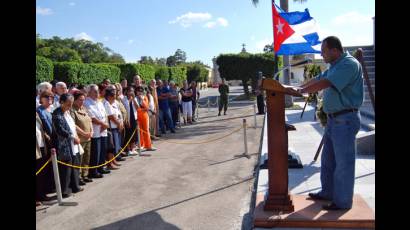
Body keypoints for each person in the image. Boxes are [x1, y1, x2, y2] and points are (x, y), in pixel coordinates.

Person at [297, 36, 363, 210]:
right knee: (328, 161)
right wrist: (298, 89)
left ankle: (342, 202)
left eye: (324, 51)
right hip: (334, 120)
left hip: (345, 120)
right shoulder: (335, 65)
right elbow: (319, 77)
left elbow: (326, 83)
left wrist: (303, 91)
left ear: (335, 50)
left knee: (343, 164)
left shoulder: (349, 64)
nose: (321, 54)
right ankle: (328, 192)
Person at [51, 93, 83, 198]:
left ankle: (75, 186)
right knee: (66, 168)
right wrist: (72, 137)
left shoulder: (67, 112)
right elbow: (60, 130)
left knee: (75, 164)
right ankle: (65, 190)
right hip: (64, 145)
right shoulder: (57, 114)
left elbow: (72, 126)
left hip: (73, 143)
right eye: (68, 104)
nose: (70, 106)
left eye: (71, 104)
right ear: (61, 102)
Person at [84, 84, 111, 178]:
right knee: (96, 151)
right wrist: (102, 124)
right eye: (95, 91)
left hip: (103, 130)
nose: (97, 93)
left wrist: (106, 124)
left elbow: (105, 114)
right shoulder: (86, 102)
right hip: (95, 131)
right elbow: (91, 117)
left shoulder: (99, 102)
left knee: (103, 150)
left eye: (97, 91)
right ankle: (93, 171)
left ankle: (101, 167)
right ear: (89, 92)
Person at [71, 91, 94, 184]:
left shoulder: (84, 108)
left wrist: (91, 131)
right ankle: (79, 177)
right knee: (79, 159)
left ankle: (85, 174)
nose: (82, 102)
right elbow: (73, 125)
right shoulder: (72, 110)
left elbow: (90, 120)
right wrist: (84, 133)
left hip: (88, 137)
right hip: (80, 138)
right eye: (80, 100)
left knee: (86, 157)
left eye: (83, 100)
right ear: (75, 100)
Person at [104, 88, 125, 169]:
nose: (115, 97)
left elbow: (118, 114)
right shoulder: (106, 104)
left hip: (117, 126)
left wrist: (121, 123)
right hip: (111, 127)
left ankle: (113, 160)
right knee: (111, 146)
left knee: (115, 145)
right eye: (113, 96)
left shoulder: (114, 103)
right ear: (109, 96)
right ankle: (110, 162)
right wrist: (119, 124)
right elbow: (111, 116)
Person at [135, 86, 156, 151]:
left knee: (146, 130)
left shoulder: (145, 98)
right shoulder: (135, 98)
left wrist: (141, 100)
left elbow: (146, 107)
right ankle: (141, 145)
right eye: (138, 91)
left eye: (141, 91)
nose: (140, 92)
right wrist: (143, 109)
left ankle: (148, 145)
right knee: (140, 131)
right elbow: (137, 108)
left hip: (144, 116)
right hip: (138, 116)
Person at [122, 86, 140, 155]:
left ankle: (133, 148)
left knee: (134, 134)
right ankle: (128, 149)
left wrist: (134, 99)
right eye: (130, 91)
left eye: (132, 91)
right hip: (128, 119)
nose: (131, 93)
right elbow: (126, 106)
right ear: (127, 92)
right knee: (128, 134)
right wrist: (130, 100)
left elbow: (138, 107)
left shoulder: (134, 99)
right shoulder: (124, 99)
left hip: (134, 118)